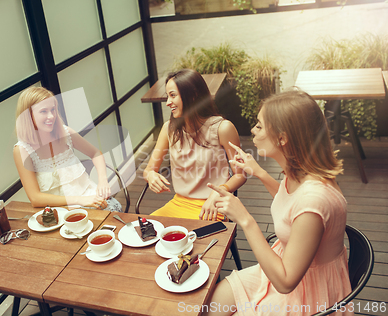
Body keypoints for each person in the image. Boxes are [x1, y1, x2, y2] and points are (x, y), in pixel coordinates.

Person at [206, 90, 352, 316]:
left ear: (282, 138)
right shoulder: (300, 171)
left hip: (307, 292)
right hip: (284, 267)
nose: (253, 130)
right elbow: (291, 205)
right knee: (212, 305)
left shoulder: (314, 200)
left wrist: (245, 219)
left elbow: (285, 283)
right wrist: (260, 172)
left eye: (260, 125)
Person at [142, 69, 246, 221]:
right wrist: (151, 175)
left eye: (172, 95)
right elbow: (149, 170)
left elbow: (240, 174)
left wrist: (220, 191)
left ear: (193, 95)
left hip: (213, 206)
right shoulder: (168, 129)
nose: (168, 103)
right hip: (178, 203)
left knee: (193, 243)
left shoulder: (223, 128)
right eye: (167, 96)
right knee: (145, 233)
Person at [13, 86, 122, 211]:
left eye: (53, 109)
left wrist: (103, 181)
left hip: (90, 198)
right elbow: (35, 198)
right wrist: (80, 200)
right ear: (27, 115)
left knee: (115, 212)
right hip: (58, 212)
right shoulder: (22, 150)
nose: (51, 116)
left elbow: (96, 153)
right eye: (44, 111)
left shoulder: (66, 133)